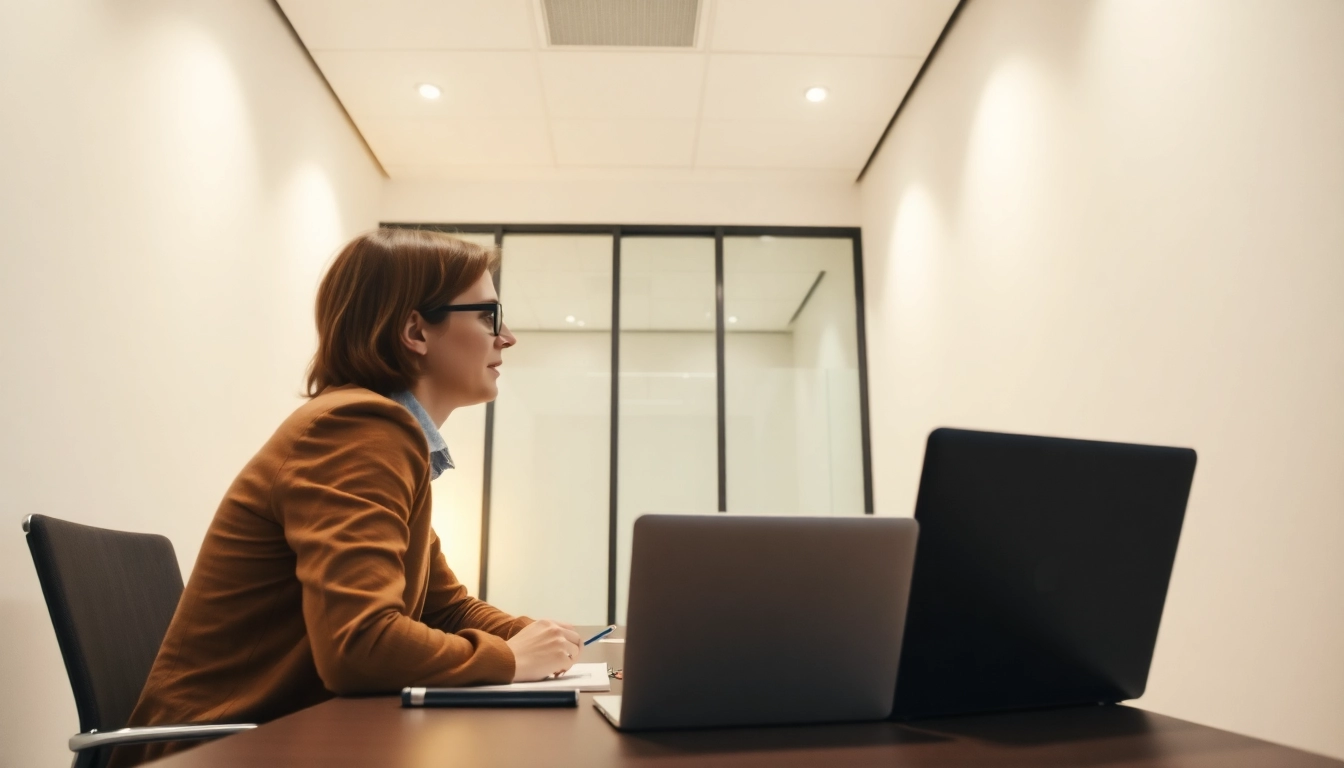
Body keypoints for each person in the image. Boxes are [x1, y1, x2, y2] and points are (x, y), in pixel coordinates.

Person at [111, 229, 581, 766]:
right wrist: (508, 659)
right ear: (415, 330)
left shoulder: (376, 430)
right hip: (216, 752)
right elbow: (360, 645)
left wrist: (542, 640)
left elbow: (443, 607)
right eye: (488, 317)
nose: (507, 337)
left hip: (267, 737)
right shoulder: (360, 429)